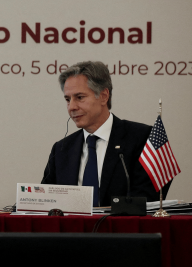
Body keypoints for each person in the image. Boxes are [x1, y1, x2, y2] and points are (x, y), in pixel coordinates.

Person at [41, 61, 168, 207]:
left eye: (80, 97)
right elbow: (47, 201)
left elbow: (147, 197)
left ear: (103, 96)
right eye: (67, 99)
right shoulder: (62, 149)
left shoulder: (142, 138)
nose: (72, 107)